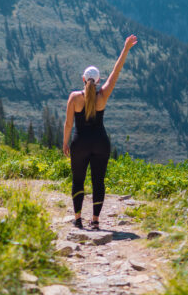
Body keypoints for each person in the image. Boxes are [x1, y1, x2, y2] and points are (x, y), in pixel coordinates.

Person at [63, 34, 138, 230]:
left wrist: (65, 143)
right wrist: (126, 49)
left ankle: (78, 219)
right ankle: (95, 221)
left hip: (79, 143)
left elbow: (69, 124)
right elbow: (116, 70)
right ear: (98, 81)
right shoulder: (103, 95)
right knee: (98, 182)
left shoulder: (74, 98)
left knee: (78, 180)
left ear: (83, 79)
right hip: (100, 143)